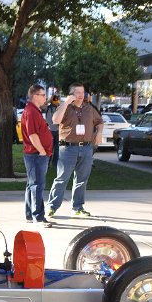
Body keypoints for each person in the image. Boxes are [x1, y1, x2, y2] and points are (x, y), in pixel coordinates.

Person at [47, 82, 103, 218]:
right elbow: (55, 120)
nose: (81, 95)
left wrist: (99, 133)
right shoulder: (65, 107)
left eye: (82, 92)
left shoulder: (89, 108)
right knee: (62, 178)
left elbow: (100, 121)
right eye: (77, 92)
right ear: (71, 94)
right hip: (68, 148)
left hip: (86, 148)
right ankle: (52, 207)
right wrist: (66, 103)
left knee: (82, 179)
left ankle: (78, 207)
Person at [20, 84, 54, 227]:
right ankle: (38, 217)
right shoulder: (31, 112)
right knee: (37, 185)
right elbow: (32, 135)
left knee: (32, 184)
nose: (45, 97)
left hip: (36, 154)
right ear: (35, 96)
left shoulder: (34, 111)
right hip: (36, 154)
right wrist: (42, 151)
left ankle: (30, 215)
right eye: (43, 95)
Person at [44, 94, 60, 169]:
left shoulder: (58, 108)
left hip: (57, 131)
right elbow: (42, 106)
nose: (56, 102)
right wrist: (48, 101)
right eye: (55, 100)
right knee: (50, 148)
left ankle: (55, 164)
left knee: (57, 149)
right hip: (50, 131)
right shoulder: (48, 108)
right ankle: (47, 164)